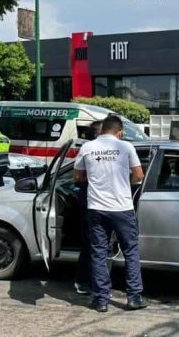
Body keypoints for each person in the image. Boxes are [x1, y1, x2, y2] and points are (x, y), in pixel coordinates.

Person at [73, 115, 146, 313]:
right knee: (130, 252)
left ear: (103, 129)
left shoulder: (87, 148)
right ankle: (134, 298)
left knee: (98, 253)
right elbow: (139, 176)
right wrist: (123, 181)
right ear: (119, 132)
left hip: (96, 208)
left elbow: (77, 177)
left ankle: (101, 300)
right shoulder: (126, 147)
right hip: (122, 208)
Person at [73, 120, 103, 296]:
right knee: (92, 244)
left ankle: (93, 282)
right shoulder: (90, 149)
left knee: (94, 244)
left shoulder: (92, 149)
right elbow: (77, 177)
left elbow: (77, 177)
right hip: (93, 202)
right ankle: (85, 281)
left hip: (96, 203)